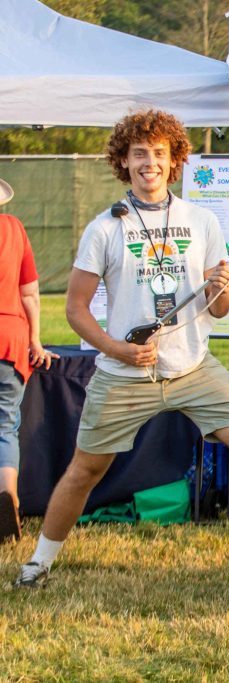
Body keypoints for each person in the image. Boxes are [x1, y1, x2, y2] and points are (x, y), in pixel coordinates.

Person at [11, 110, 229, 606]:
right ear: (124, 162)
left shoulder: (201, 221)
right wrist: (118, 349)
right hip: (125, 373)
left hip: (194, 369)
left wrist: (221, 288)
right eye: (139, 154)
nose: (149, 162)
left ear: (174, 161)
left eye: (158, 153)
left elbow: (219, 308)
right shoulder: (105, 227)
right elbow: (76, 309)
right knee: (85, 471)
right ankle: (38, 563)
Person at [0, 177, 58, 543]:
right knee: (4, 427)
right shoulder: (14, 228)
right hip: (9, 339)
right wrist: (35, 340)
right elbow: (29, 293)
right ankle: (8, 497)